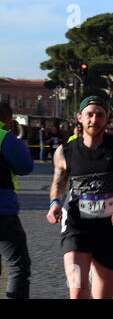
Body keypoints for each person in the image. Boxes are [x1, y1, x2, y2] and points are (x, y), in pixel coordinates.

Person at [46, 96, 113, 299]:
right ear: (80, 118)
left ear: (106, 119)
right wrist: (55, 203)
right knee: (77, 291)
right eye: (89, 115)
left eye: (100, 115)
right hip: (75, 228)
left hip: (110, 230)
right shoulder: (65, 152)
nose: (94, 120)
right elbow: (58, 183)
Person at [0, 102, 34, 299]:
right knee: (18, 266)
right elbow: (24, 167)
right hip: (3, 210)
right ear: (7, 119)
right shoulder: (5, 137)